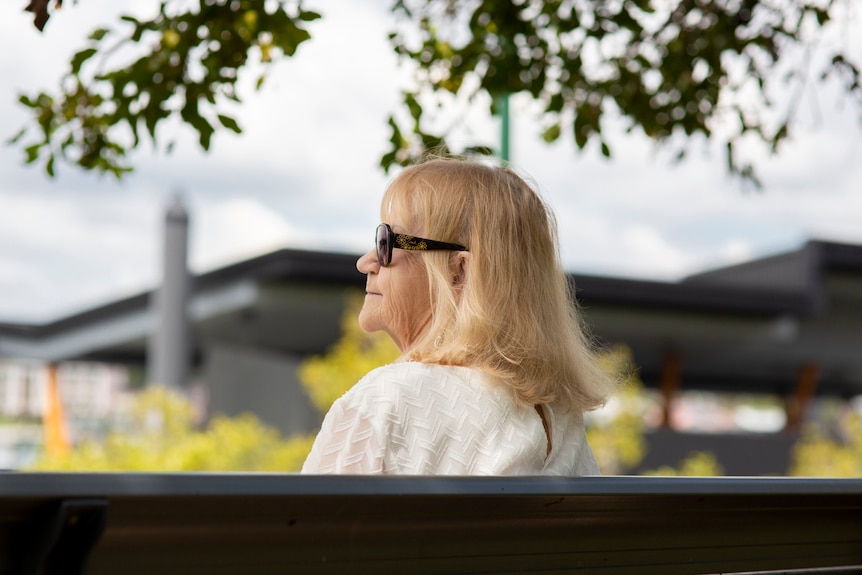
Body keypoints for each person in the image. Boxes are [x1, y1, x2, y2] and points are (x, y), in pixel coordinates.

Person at [301, 156, 616, 475]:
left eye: (387, 241)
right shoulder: (561, 420)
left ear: (459, 270)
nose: (366, 261)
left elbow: (303, 523)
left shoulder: (388, 400)